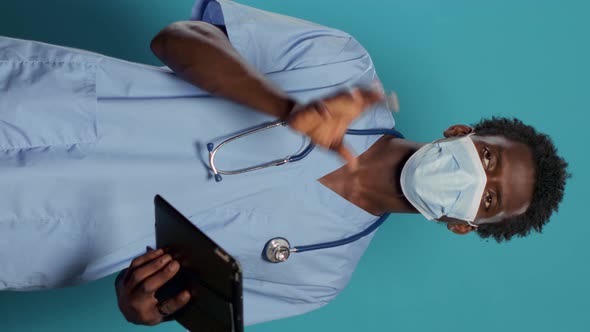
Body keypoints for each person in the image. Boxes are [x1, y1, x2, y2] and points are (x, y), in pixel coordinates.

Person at [0, 0, 568, 327]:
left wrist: (141, 306)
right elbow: (175, 39)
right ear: (461, 133)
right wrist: (284, 106)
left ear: (462, 224)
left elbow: (167, 297)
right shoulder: (342, 64)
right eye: (488, 158)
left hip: (37, 236)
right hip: (37, 101)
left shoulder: (318, 278)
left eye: (487, 197)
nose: (474, 177)